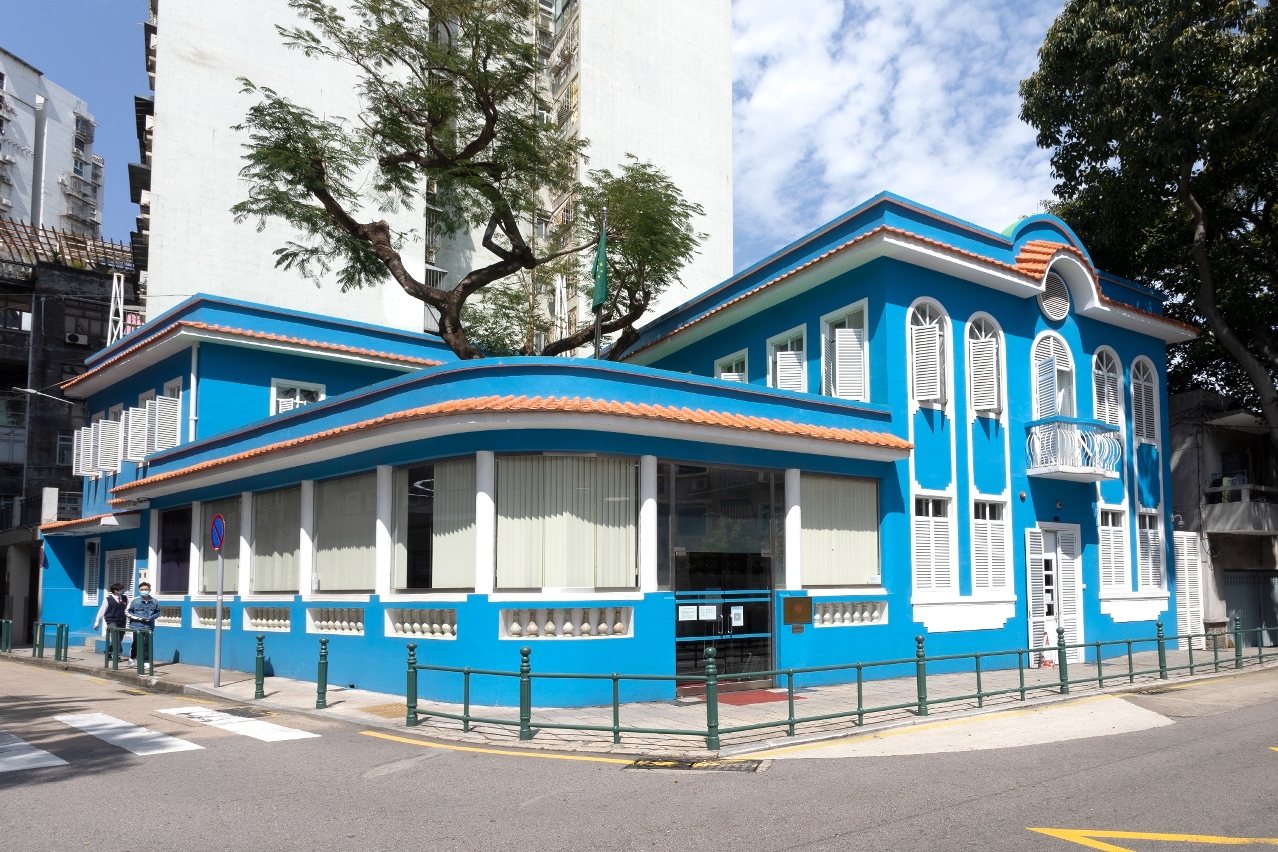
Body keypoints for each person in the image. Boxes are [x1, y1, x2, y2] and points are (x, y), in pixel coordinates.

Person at [126, 582, 160, 665]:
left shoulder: (155, 601)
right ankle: (132, 657)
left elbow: (157, 612)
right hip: (136, 626)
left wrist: (151, 618)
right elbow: (127, 612)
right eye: (142, 590)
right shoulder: (134, 601)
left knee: (147, 643)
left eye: (146, 589)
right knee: (136, 643)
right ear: (139, 590)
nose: (144, 591)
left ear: (149, 590)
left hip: (149, 626)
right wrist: (140, 618)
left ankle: (146, 661)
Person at [93, 583, 129, 659]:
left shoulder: (125, 598)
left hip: (122, 621)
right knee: (116, 638)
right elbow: (101, 611)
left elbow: (128, 609)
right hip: (112, 621)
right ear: (115, 591)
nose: (123, 591)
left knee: (119, 639)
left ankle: (108, 651)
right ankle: (117, 655)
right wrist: (97, 623)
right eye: (121, 589)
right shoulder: (108, 600)